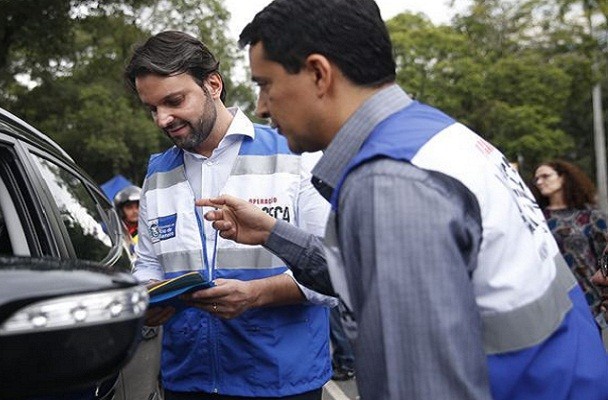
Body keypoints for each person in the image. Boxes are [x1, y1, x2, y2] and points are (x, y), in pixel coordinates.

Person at [194, 0, 608, 398]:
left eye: (266, 84)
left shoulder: (389, 183)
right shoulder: (433, 136)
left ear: (319, 74)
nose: (262, 107)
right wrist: (272, 233)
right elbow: (364, 274)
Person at [124, 30, 336, 399]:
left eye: (174, 101)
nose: (162, 120)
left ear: (213, 84)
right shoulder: (156, 173)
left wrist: (257, 294)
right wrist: (147, 295)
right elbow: (148, 264)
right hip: (187, 381)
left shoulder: (296, 156)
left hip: (282, 382)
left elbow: (336, 270)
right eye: (152, 108)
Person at [533, 160, 608, 320]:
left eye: (545, 176)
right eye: (536, 179)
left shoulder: (590, 217)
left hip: (588, 300)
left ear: (563, 178)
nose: (539, 182)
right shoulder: (535, 219)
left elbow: (605, 259)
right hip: (549, 303)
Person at [113, 185, 142, 254]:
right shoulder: (114, 231)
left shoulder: (153, 228)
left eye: (138, 206)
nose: (135, 211)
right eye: (129, 207)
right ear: (121, 211)